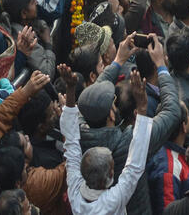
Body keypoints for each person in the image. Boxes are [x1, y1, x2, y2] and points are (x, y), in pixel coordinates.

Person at [62, 68, 152, 215]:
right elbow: (135, 166)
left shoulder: (75, 194)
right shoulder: (114, 200)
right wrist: (142, 105)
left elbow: (71, 144)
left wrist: (70, 90)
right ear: (111, 175)